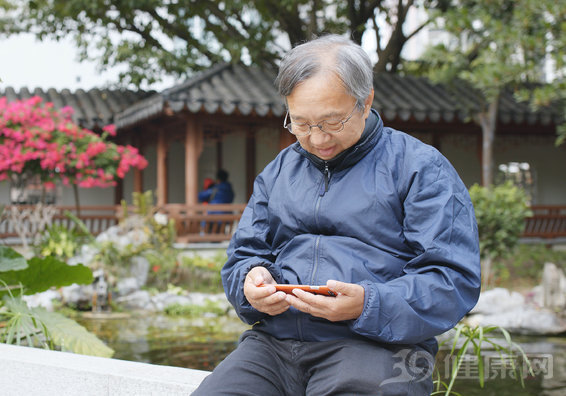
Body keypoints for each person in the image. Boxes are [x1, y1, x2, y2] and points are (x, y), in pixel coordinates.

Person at [193, 34, 480, 395]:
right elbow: (242, 256)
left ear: (366, 101)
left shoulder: (420, 168)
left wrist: (368, 305)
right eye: (301, 123)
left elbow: (453, 279)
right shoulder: (278, 172)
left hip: (377, 344)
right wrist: (251, 281)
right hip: (275, 345)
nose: (316, 138)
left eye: (332, 122)